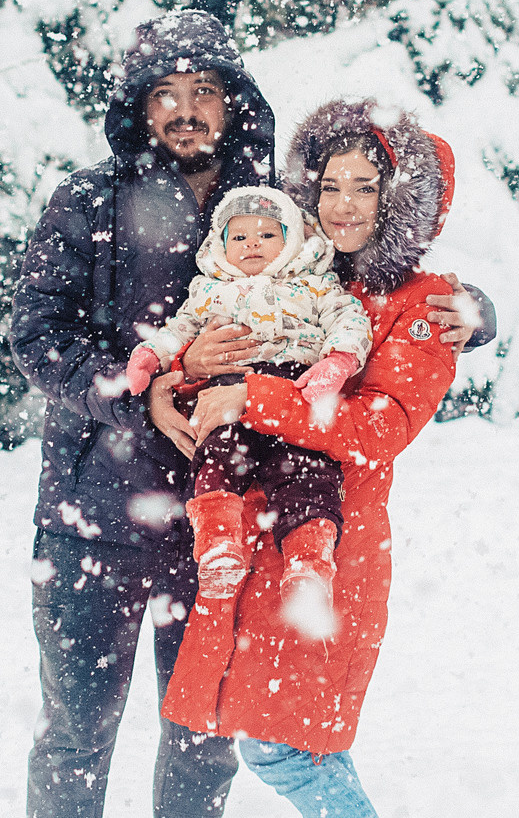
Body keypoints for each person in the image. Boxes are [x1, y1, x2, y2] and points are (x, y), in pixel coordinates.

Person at [7, 11, 494, 818]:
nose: (187, 112)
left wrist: (476, 309)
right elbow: (34, 332)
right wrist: (137, 394)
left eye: (205, 93)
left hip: (221, 519)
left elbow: (378, 257)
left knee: (204, 726)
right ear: (138, 107)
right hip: (92, 514)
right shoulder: (86, 204)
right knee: (77, 726)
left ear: (236, 106)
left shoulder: (276, 206)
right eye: (167, 94)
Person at [152, 97, 465, 818]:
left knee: (281, 742)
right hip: (266, 541)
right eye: (329, 183)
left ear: (401, 199)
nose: (344, 202)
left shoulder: (425, 304)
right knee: (306, 732)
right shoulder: (309, 280)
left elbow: (377, 425)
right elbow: (219, 352)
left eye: (368, 185)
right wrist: (191, 372)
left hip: (336, 546)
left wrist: (254, 399)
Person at [121, 185, 371, 629]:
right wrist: (151, 356)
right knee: (215, 457)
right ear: (220, 246)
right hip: (228, 389)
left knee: (308, 470)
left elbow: (348, 317)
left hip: (295, 388)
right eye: (239, 237)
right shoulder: (208, 290)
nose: (252, 244)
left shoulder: (314, 283)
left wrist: (339, 360)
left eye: (266, 235)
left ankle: (309, 559)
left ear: (291, 241)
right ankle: (217, 546)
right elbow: (179, 328)